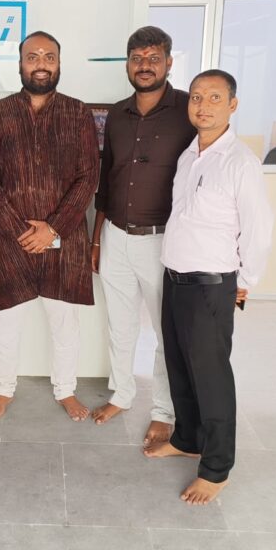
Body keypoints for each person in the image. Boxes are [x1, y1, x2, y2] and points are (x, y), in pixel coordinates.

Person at [143, 69, 273, 506]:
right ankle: (187, 438)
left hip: (211, 285)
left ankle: (216, 469)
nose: (203, 106)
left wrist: (244, 281)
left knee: (211, 377)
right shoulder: (189, 154)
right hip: (175, 278)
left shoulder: (240, 163)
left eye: (215, 98)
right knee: (179, 365)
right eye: (196, 97)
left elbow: (259, 230)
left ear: (232, 105)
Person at [0, 31, 99, 421]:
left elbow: (89, 177)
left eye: (48, 57)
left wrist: (53, 229)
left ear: (59, 64)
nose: (40, 64)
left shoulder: (78, 113)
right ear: (20, 64)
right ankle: (4, 390)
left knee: (65, 323)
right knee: (6, 322)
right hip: (12, 242)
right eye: (32, 57)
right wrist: (21, 230)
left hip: (65, 240)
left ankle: (66, 390)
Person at [90, 26, 196, 447]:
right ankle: (122, 393)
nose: (145, 66)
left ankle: (164, 412)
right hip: (115, 235)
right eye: (137, 58)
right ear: (127, 64)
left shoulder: (188, 109)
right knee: (120, 325)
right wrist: (96, 239)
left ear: (168, 62)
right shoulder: (117, 114)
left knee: (166, 332)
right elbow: (106, 180)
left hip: (163, 240)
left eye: (154, 58)